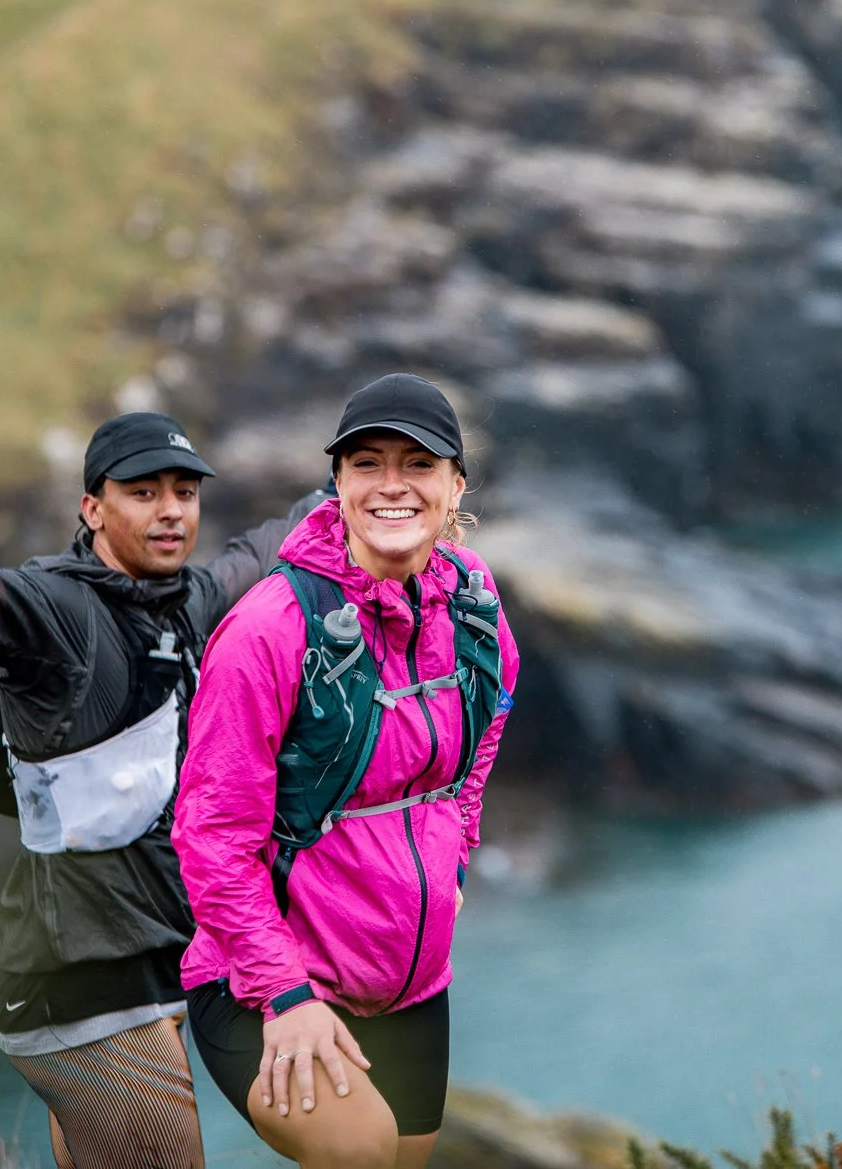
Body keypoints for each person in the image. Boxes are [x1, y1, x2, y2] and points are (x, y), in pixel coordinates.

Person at [0, 410, 327, 1169]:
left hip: (150, 964)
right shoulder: (51, 611)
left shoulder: (192, 601)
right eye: (143, 491)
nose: (171, 508)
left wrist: (347, 493)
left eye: (184, 490)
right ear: (93, 507)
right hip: (77, 981)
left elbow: (264, 552)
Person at [172, 373, 520, 1169]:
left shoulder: (469, 598)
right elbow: (211, 835)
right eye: (366, 463)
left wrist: (458, 846)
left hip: (412, 980)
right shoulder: (270, 628)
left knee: (405, 1157)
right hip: (266, 981)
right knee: (358, 1150)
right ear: (336, 483)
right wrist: (284, 994)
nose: (391, 484)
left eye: (418, 463)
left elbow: (493, 704)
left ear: (455, 484)